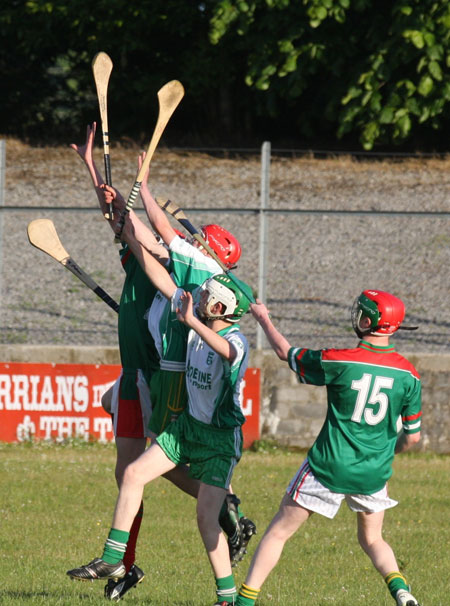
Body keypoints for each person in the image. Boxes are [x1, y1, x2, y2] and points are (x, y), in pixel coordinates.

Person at [67, 223, 252, 606]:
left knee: (205, 520)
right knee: (133, 473)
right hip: (186, 428)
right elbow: (155, 272)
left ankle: (227, 596)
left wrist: (193, 322)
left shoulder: (236, 340)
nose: (199, 297)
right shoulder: (194, 316)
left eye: (208, 297)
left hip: (218, 440)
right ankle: (114, 558)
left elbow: (228, 352)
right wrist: (133, 241)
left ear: (221, 308)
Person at [234, 289, 422, 606]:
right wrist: (386, 453)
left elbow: (285, 352)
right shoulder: (410, 375)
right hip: (373, 471)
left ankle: (244, 601)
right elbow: (413, 436)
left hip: (328, 466)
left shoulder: (339, 360)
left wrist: (263, 318)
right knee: (373, 539)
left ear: (367, 321)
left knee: (279, 532)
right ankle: (402, 592)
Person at [71, 123, 166, 600]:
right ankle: (126, 566)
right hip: (130, 377)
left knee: (162, 467)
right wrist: (92, 171)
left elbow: (130, 227)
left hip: (156, 377)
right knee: (126, 474)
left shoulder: (165, 266)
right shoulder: (135, 258)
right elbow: (117, 222)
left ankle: (227, 505)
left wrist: (127, 203)